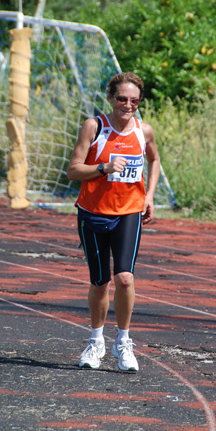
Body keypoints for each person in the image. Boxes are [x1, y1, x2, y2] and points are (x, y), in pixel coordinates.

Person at [67, 72, 160, 372]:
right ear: (111, 98)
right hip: (93, 213)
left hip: (128, 213)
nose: (128, 105)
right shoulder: (94, 126)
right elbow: (73, 171)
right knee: (99, 282)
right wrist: (103, 168)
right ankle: (96, 341)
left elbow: (155, 160)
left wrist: (150, 196)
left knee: (125, 278)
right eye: (122, 99)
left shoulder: (144, 131)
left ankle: (124, 342)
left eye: (134, 100)